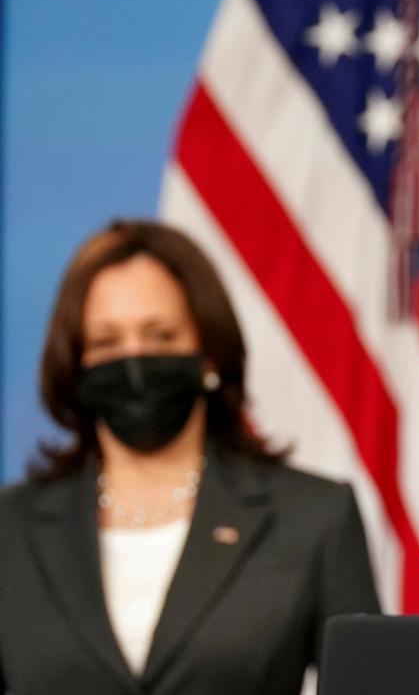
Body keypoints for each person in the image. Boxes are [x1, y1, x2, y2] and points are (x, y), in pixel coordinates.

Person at [0, 220, 380, 695]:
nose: (134, 358)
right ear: (75, 365)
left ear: (210, 355)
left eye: (159, 336)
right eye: (106, 343)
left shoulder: (315, 518)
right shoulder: (9, 529)